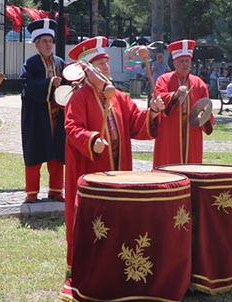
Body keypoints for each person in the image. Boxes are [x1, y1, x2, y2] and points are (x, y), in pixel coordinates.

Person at [63, 36, 164, 267]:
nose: (106, 68)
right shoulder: (78, 98)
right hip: (92, 169)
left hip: (119, 167)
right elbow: (71, 127)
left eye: (107, 64)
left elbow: (137, 122)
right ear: (88, 71)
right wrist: (91, 140)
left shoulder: (119, 97)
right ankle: (90, 262)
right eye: (100, 65)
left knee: (118, 216)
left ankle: (117, 259)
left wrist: (153, 112)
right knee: (95, 219)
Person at [20, 18, 66, 203]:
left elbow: (69, 83)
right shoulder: (30, 64)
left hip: (58, 116)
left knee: (57, 152)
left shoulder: (61, 63)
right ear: (36, 44)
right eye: (44, 41)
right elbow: (26, 85)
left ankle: (55, 190)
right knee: (35, 151)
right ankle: (32, 193)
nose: (48, 45)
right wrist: (48, 83)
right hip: (36, 117)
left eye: (50, 41)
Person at [152, 38, 214, 166]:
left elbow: (206, 108)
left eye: (187, 61)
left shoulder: (199, 83)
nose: (185, 64)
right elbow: (157, 97)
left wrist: (204, 116)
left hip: (192, 131)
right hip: (170, 130)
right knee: (169, 164)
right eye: (181, 61)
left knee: (192, 165)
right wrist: (174, 95)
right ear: (175, 63)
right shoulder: (164, 79)